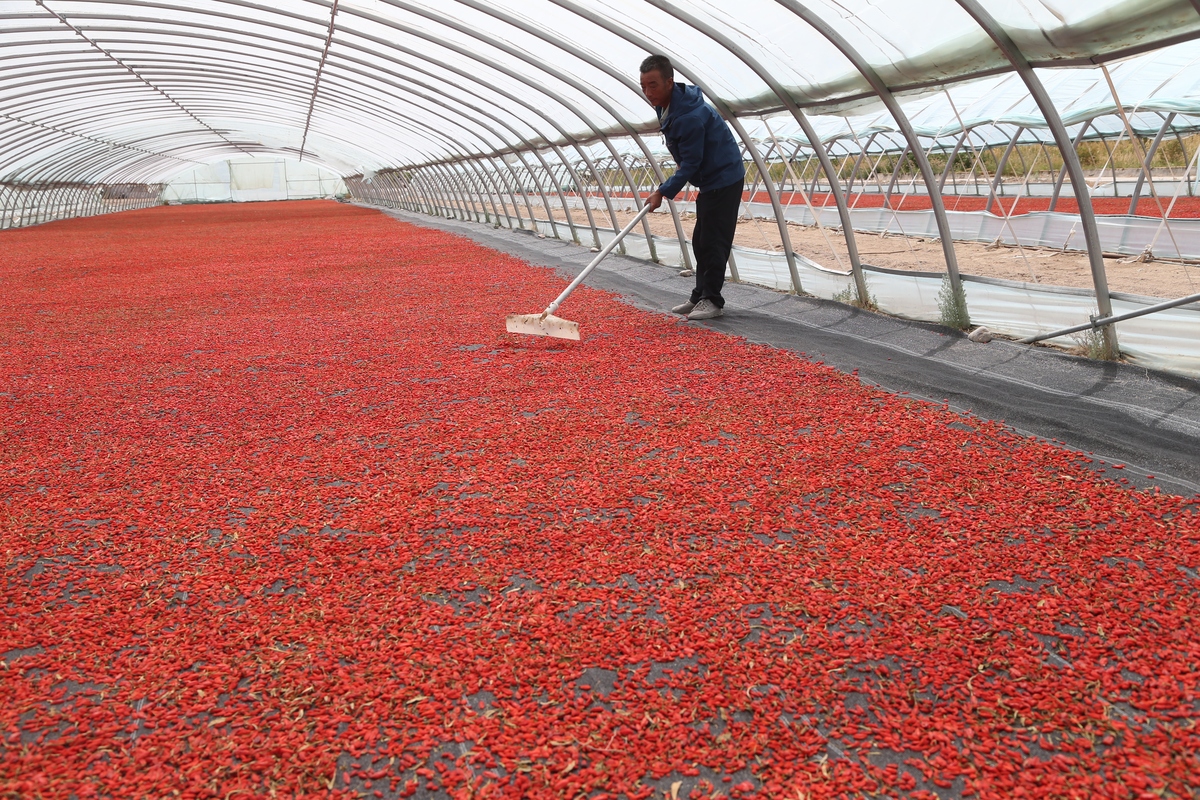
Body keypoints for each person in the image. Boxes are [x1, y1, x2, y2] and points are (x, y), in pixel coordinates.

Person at [639, 54, 745, 321]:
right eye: (643, 86)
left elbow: (690, 164)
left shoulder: (689, 116)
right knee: (701, 241)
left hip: (724, 177)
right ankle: (700, 294)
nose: (647, 92)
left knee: (714, 242)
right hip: (710, 180)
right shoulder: (669, 106)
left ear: (669, 82)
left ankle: (713, 300)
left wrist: (662, 192)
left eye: (653, 85)